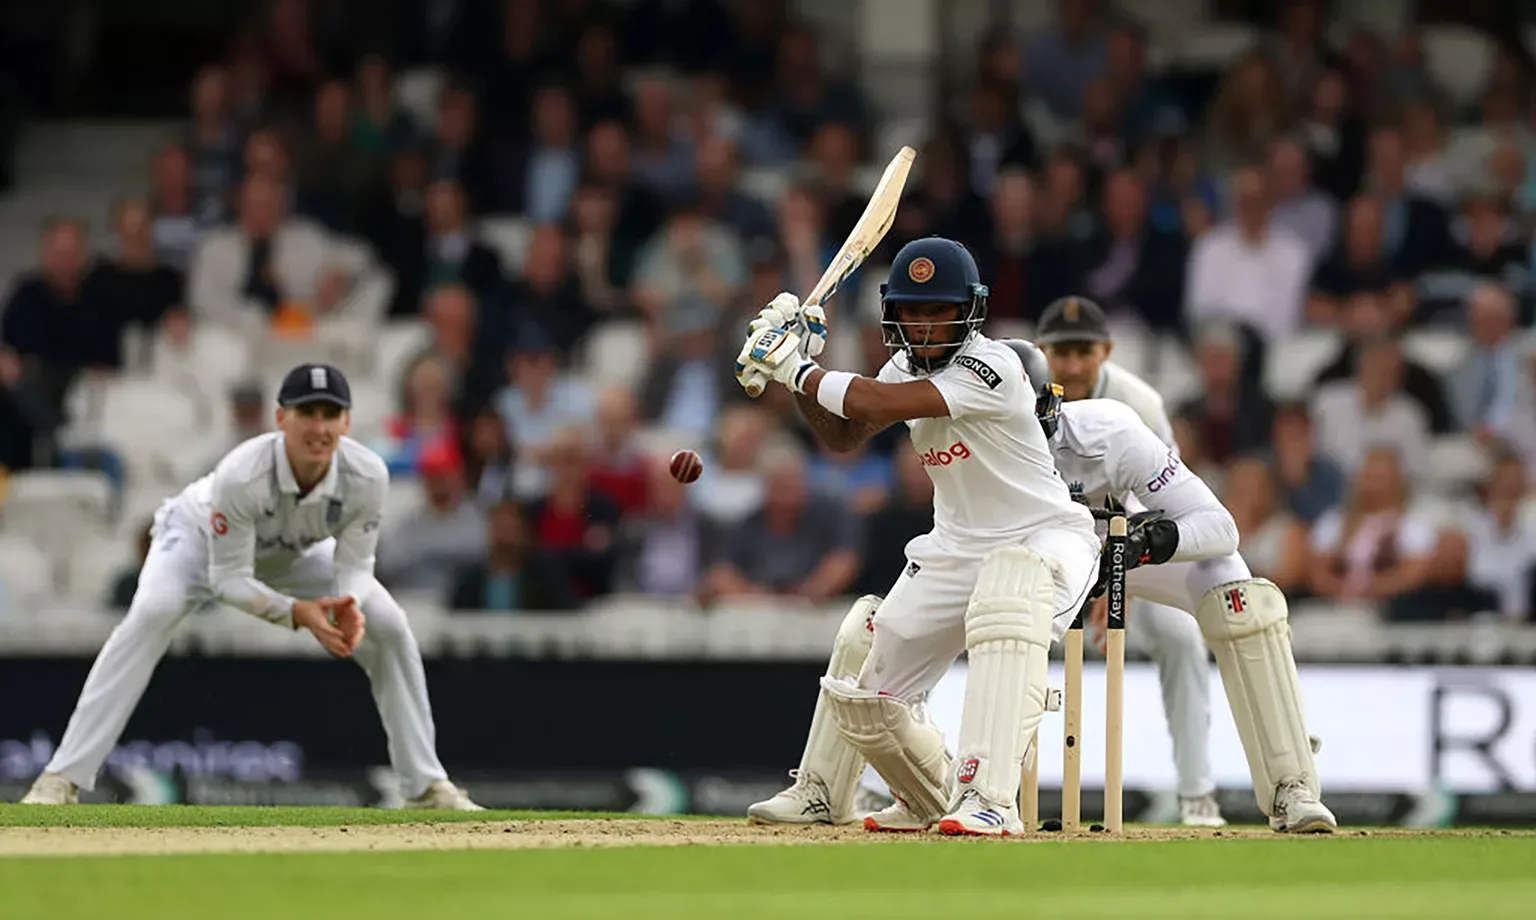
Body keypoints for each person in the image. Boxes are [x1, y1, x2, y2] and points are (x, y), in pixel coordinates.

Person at [739, 238, 1101, 836]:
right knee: (871, 699)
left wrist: (798, 367)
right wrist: (797, 374)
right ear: (894, 313)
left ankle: (989, 800)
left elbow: (879, 400)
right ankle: (845, 794)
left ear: (971, 310)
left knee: (1007, 605)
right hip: (954, 549)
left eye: (940, 311)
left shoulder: (995, 367)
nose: (926, 325)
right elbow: (845, 436)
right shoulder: (902, 365)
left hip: (1044, 539)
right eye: (913, 310)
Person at [20, 364, 481, 810]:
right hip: (198, 545)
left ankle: (425, 786)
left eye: (330, 415)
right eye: (307, 413)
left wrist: (350, 604)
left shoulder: (367, 475)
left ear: (347, 422)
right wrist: (299, 614)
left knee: (392, 627)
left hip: (292, 554)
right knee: (152, 613)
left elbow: (356, 566)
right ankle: (62, 777)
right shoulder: (243, 472)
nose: (318, 428)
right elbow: (228, 580)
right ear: (281, 418)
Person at [1006, 339, 1336, 833]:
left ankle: (1291, 784)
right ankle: (956, 788)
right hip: (1020, 555)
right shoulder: (968, 438)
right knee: (961, 610)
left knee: (1230, 582)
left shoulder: (1110, 426)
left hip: (1111, 546)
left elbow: (1221, 528)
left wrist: (1153, 541)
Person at [1032, 295, 1224, 827]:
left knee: (1182, 638)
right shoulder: (1024, 397)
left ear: (1107, 351)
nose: (1071, 365)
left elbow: (1163, 506)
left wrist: (1118, 582)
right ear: (1042, 350)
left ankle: (1197, 793)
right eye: (1060, 352)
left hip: (1129, 545)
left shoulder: (1138, 404)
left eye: (1083, 351)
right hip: (1049, 544)